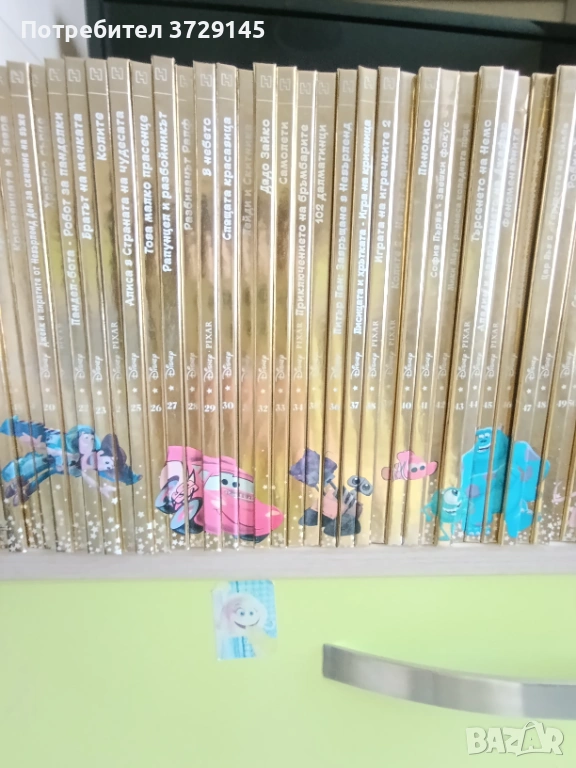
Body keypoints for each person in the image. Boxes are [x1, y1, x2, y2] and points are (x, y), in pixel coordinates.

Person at [0, 416, 140, 505]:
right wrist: (38, 444)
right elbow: (56, 450)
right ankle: (18, 483)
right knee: (37, 467)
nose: (106, 466)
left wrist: (100, 488)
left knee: (46, 472)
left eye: (109, 467)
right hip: (55, 455)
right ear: (102, 452)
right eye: (108, 463)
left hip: (61, 465)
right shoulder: (80, 448)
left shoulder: (87, 465)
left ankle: (27, 490)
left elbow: (86, 476)